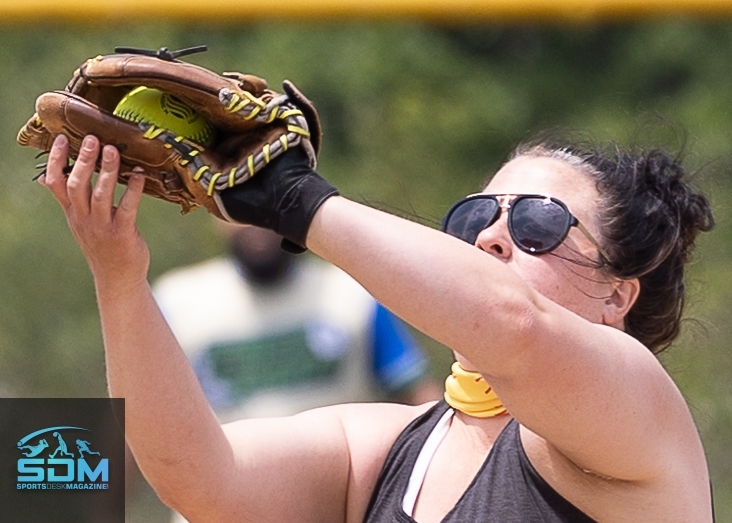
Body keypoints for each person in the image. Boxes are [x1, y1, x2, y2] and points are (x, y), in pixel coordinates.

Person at [40, 129, 715, 522]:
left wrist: (297, 201)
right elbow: (200, 479)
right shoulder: (390, 448)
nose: (493, 238)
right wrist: (118, 277)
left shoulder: (643, 411)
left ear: (616, 295)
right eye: (476, 218)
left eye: (538, 221)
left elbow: (516, 327)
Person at [152, 224, 439, 424]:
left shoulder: (351, 293)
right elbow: (129, 422)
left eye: (264, 198)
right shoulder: (174, 302)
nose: (253, 219)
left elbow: (419, 398)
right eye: (235, 203)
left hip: (338, 507)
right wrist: (104, 501)